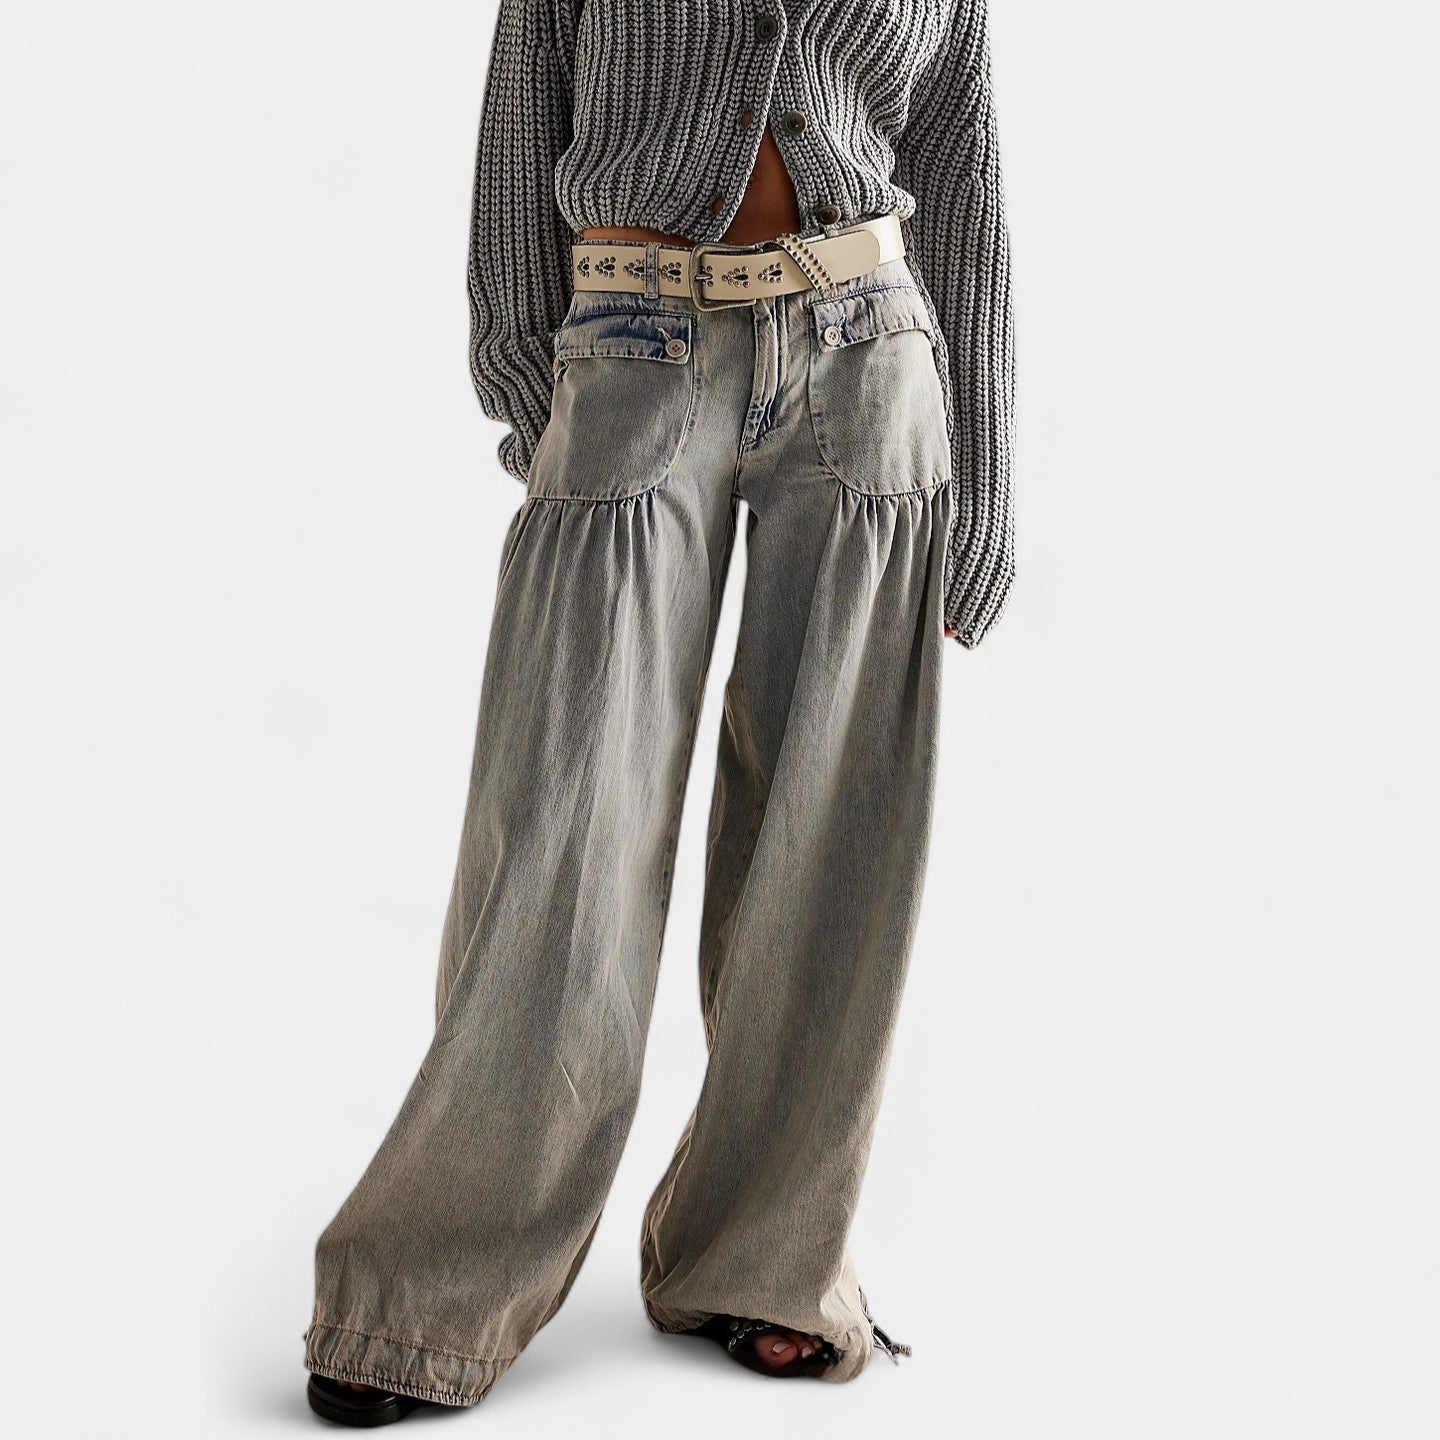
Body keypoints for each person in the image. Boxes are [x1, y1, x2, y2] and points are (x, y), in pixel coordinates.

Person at [303, 0, 1014, 1425]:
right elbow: (522, 131)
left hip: (871, 362)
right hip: (632, 343)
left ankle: (765, 1263)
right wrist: (539, 390)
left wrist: (985, 482)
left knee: (832, 850)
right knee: (559, 834)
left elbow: (961, 173)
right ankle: (425, 1298)